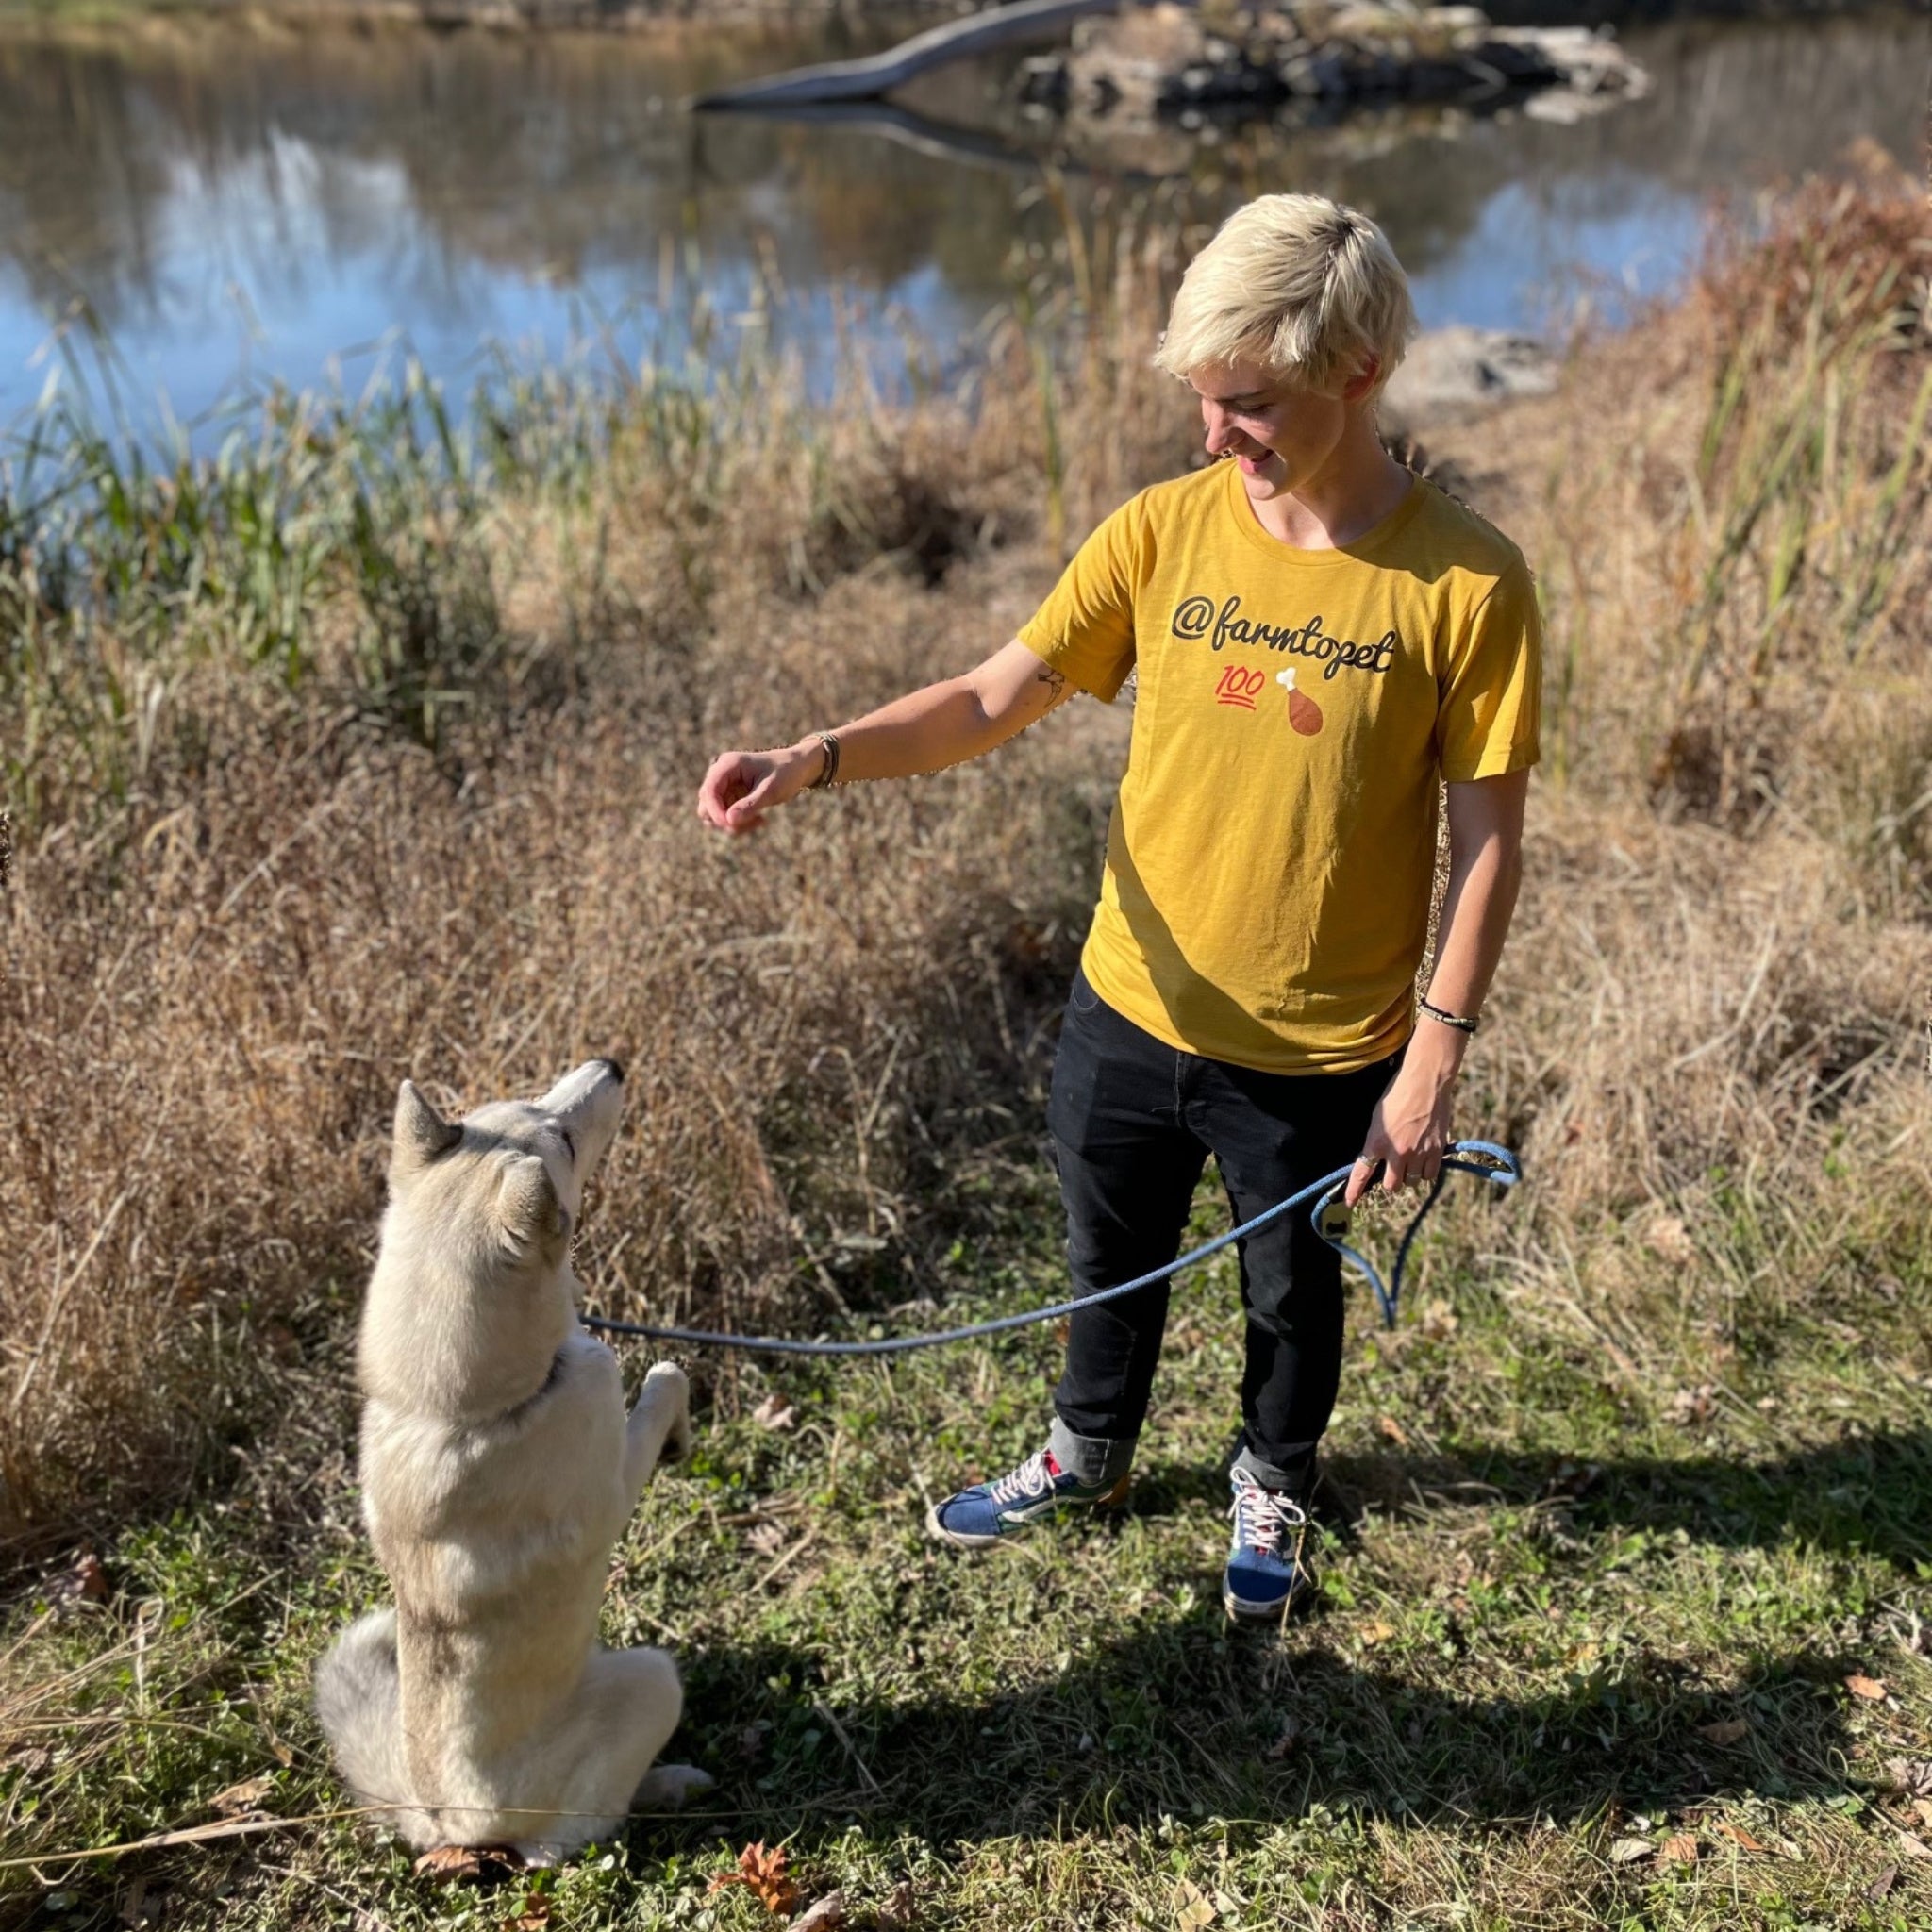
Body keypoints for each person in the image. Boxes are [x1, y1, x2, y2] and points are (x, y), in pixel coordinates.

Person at [695, 193, 1540, 1621]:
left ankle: (1277, 1473)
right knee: (1107, 1257)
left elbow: (1492, 842)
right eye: (1205, 403)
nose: (1215, 438)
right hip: (1129, 1010)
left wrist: (1432, 1061)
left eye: (1250, 405)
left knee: (1290, 1293)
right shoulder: (1162, 533)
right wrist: (815, 759)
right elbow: (983, 699)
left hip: (1316, 1049)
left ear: (1359, 368)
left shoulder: (1467, 582)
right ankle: (1089, 1450)